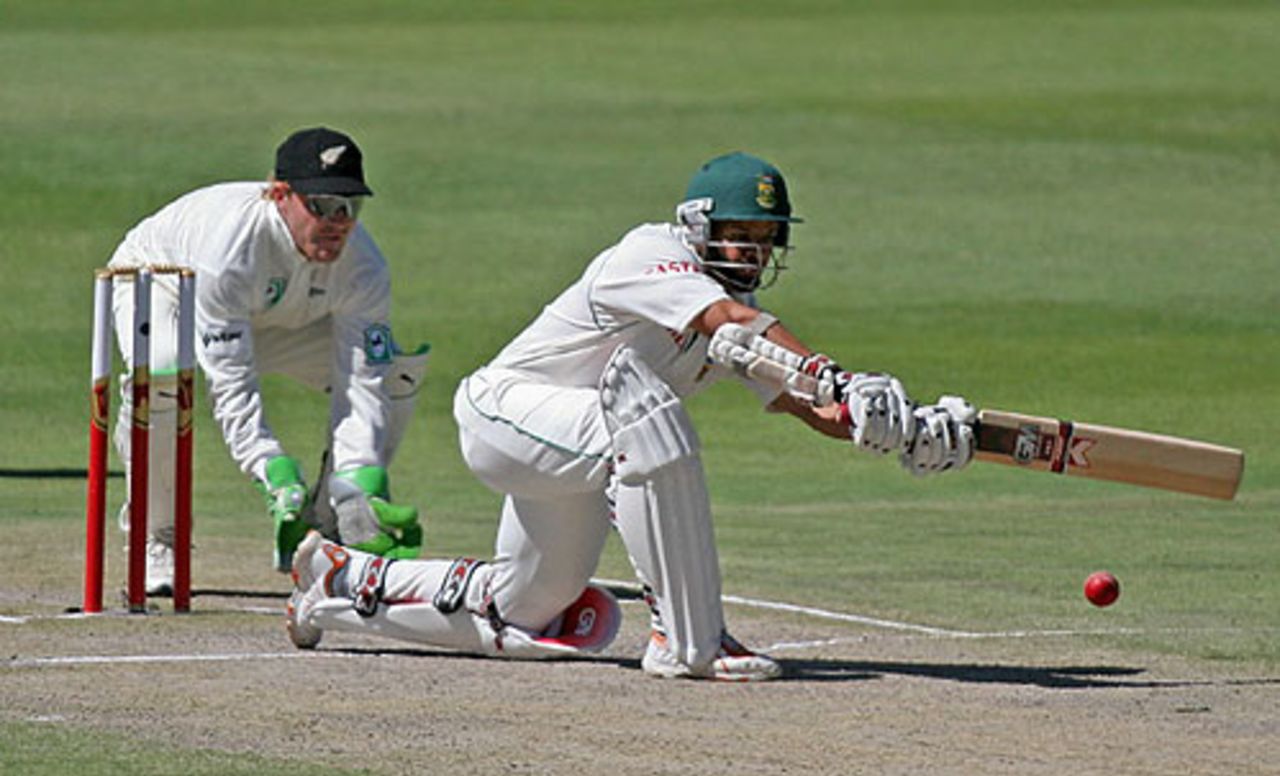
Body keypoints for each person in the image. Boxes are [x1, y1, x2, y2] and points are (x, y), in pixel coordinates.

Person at [285, 151, 976, 681]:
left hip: (571, 451)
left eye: (765, 238)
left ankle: (338, 582)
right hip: (505, 413)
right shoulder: (654, 255)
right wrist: (841, 376)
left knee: (528, 608)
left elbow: (804, 402)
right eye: (739, 234)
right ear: (698, 225)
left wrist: (897, 425)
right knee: (649, 422)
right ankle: (688, 641)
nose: (754, 252)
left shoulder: (732, 318)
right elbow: (732, 323)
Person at [107, 127, 427, 595]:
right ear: (280, 194)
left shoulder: (364, 266)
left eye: (350, 207)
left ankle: (330, 521)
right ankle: (160, 536)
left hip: (275, 317)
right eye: (321, 205)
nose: (337, 221)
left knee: (397, 374)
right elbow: (232, 383)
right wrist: (271, 470)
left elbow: (363, 379)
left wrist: (358, 479)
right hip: (165, 286)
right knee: (162, 380)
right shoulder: (231, 250)